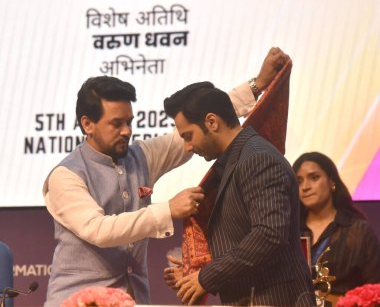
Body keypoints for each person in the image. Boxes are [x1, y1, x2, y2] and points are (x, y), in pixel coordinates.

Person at [42, 47, 285, 307]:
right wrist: (167, 210)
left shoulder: (140, 156)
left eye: (130, 122)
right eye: (116, 123)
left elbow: (199, 122)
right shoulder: (65, 176)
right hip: (75, 302)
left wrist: (256, 85)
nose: (127, 131)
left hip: (131, 300)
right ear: (87, 124)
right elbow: (99, 230)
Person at [163, 73, 315, 305]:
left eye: (188, 136)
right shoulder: (237, 158)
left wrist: (206, 277)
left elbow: (269, 234)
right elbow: (242, 239)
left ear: (212, 122)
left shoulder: (257, 158)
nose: (187, 146)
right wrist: (195, 270)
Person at [292, 152, 380, 302]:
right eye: (299, 181)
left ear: (332, 182)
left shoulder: (358, 231)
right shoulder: (289, 231)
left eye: (314, 178)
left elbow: (375, 291)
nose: (305, 187)